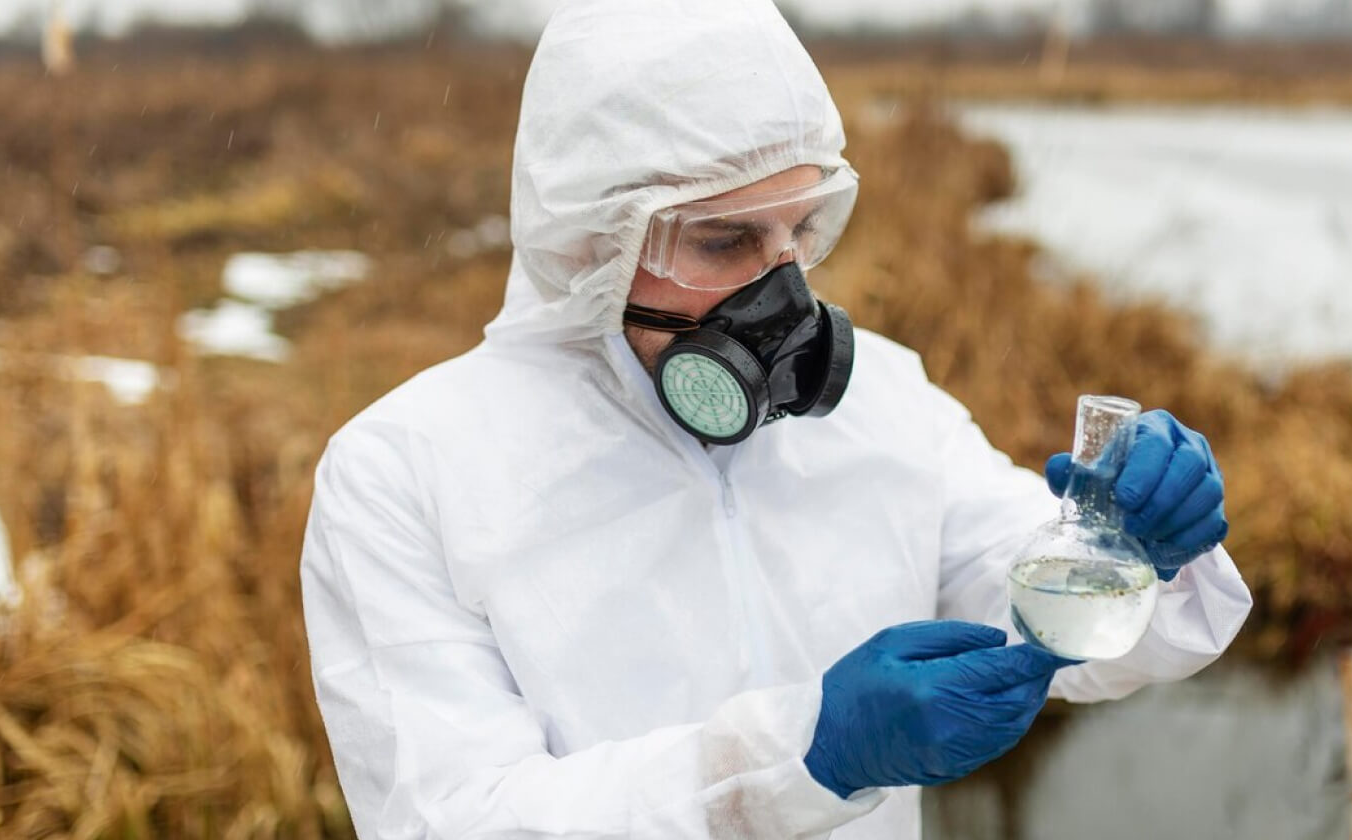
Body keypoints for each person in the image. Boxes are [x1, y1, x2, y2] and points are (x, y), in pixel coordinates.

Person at [298, 0, 1253, 836]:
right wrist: (801, 758)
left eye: (800, 230)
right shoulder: (406, 474)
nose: (782, 291)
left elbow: (1048, 609)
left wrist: (1136, 549)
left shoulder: (882, 398)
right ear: (585, 238)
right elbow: (455, 821)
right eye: (723, 240)